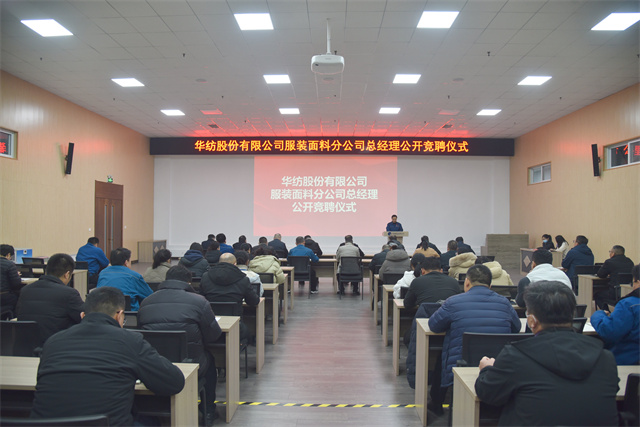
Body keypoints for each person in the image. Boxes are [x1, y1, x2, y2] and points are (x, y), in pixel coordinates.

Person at [30, 286, 185, 426]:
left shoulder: (53, 341)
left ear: (83, 315)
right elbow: (174, 382)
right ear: (120, 315)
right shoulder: (129, 341)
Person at [475, 281, 619, 426]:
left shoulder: (515, 356)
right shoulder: (605, 358)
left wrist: (487, 369)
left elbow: (487, 393)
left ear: (531, 321)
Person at [428, 264, 520, 415]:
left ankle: (438, 403)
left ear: (467, 282)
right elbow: (516, 329)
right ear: (490, 285)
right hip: (497, 366)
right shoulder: (505, 303)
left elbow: (433, 325)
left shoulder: (453, 302)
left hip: (460, 366)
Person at [138, 265, 222, 424]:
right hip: (191, 362)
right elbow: (213, 335)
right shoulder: (199, 301)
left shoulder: (146, 301)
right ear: (189, 282)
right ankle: (208, 411)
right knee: (210, 362)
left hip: (155, 364)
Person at [16, 253, 84, 344]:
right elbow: (84, 317)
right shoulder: (69, 293)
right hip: (55, 345)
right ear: (67, 274)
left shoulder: (25, 290)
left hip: (25, 345)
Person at [199, 253, 260, 340]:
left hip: (210, 326)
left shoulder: (205, 277)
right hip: (236, 327)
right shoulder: (243, 279)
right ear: (235, 264)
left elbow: (201, 300)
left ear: (219, 262)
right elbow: (254, 301)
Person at [591, 263, 640, 365]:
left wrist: (598, 314)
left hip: (626, 362)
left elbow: (609, 332)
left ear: (638, 282)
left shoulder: (628, 305)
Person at [594, 245, 635, 309]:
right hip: (628, 291)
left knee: (597, 295)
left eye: (610, 252)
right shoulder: (630, 262)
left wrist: (609, 274)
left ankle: (606, 312)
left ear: (613, 253)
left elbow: (600, 274)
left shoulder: (609, 262)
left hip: (615, 292)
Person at [0, 244, 22, 315]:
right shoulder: (9, 264)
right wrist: (17, 275)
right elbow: (16, 283)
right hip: (4, 296)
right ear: (8, 255)